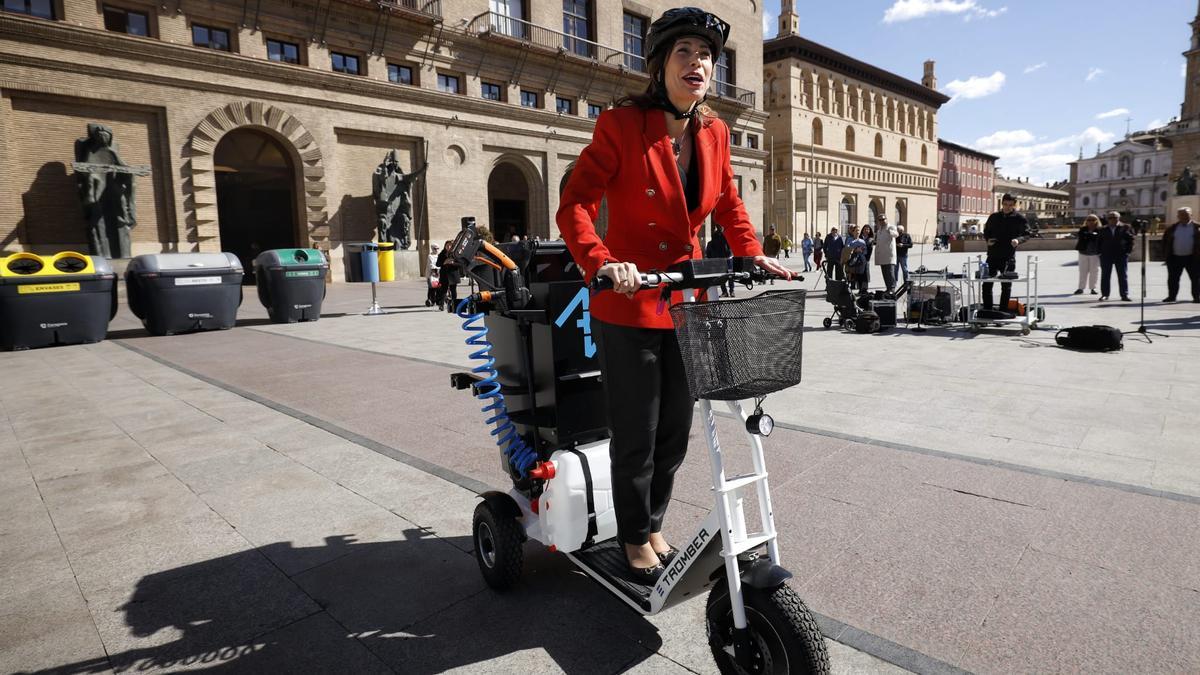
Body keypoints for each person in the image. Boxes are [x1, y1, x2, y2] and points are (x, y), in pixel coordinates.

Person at [555, 7, 790, 583]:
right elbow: (576, 203)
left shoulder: (714, 131)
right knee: (636, 429)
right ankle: (633, 535)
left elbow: (729, 202)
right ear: (660, 64)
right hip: (629, 299)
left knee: (676, 430)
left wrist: (750, 249)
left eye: (706, 55)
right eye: (684, 51)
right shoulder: (620, 125)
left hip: (687, 301)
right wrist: (603, 262)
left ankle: (653, 521)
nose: (698, 63)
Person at [981, 193, 1029, 311]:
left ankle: (1003, 312)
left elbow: (1027, 234)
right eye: (1005, 204)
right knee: (986, 285)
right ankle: (988, 310)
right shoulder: (993, 217)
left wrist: (1018, 240)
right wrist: (988, 240)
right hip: (992, 255)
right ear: (1002, 203)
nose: (1007, 207)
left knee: (1006, 286)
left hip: (1008, 257)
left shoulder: (1019, 219)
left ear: (1014, 205)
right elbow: (986, 231)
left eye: (1010, 205)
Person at [1162, 207, 1200, 302]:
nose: (1183, 217)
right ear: (1178, 216)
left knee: (1196, 279)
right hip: (1175, 257)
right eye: (1181, 215)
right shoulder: (1172, 228)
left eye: (1186, 214)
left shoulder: (1197, 227)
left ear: (1191, 215)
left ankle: (1196, 297)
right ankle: (1172, 296)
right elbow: (1165, 242)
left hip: (1193, 257)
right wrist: (1166, 256)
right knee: (1173, 279)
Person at [1098, 211, 1133, 301]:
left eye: (1114, 217)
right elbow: (1098, 242)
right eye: (1110, 218)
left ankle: (1124, 294)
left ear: (1119, 218)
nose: (1112, 220)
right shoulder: (1103, 229)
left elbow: (1131, 240)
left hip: (1121, 255)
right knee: (1105, 275)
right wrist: (1099, 253)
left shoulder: (1125, 227)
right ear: (1107, 219)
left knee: (1122, 275)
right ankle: (1105, 294)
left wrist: (1128, 252)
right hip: (1106, 255)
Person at [1074, 214, 1101, 295]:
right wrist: (1091, 235)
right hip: (1083, 252)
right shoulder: (1082, 229)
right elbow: (1082, 237)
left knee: (1094, 271)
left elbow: (1098, 239)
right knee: (1083, 271)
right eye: (1089, 220)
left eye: (1093, 220)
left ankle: (1093, 288)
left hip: (1095, 253)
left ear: (1097, 221)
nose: (1091, 222)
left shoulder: (1100, 229)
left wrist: (1090, 235)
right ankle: (1081, 288)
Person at [705, 225, 736, 297]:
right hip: (719, 259)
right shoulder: (715, 235)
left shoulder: (726, 234)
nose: (719, 227)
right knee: (721, 276)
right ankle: (725, 292)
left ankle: (732, 291)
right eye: (718, 226)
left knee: (730, 275)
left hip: (727, 258)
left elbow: (730, 244)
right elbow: (712, 246)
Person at [873, 216, 898, 293]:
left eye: (883, 219)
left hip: (889, 255)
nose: (882, 221)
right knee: (884, 273)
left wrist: (891, 232)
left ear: (886, 219)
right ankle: (888, 288)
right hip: (882, 255)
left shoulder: (891, 227)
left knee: (890, 272)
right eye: (880, 220)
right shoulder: (879, 230)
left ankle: (892, 288)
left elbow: (896, 234)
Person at [435, 239, 461, 312]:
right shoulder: (442, 254)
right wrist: (444, 262)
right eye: (447, 245)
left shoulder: (456, 253)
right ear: (445, 246)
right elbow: (437, 264)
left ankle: (455, 305)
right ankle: (441, 305)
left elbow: (460, 264)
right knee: (443, 291)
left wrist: (453, 263)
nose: (449, 247)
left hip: (453, 274)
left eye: (450, 245)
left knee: (453, 291)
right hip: (444, 275)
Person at [843, 225, 867, 292]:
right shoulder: (849, 240)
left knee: (860, 275)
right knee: (850, 275)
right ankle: (848, 289)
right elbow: (846, 249)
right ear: (853, 232)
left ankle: (861, 289)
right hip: (851, 260)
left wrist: (862, 250)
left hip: (861, 261)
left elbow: (865, 252)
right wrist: (855, 249)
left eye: (859, 231)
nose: (858, 232)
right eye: (856, 230)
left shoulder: (862, 241)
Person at [860, 224, 876, 290]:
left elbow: (869, 249)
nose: (867, 230)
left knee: (865, 273)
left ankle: (865, 288)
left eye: (868, 229)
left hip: (866, 258)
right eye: (865, 229)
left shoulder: (871, 239)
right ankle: (860, 288)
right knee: (859, 273)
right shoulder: (860, 237)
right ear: (863, 230)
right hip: (859, 258)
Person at [425, 243, 441, 308]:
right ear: (432, 249)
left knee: (438, 288)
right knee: (431, 288)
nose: (436, 250)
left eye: (438, 248)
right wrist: (436, 269)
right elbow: (431, 265)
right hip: (431, 275)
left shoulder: (439, 255)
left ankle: (437, 300)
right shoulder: (430, 256)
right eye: (435, 249)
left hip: (438, 274)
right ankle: (431, 300)